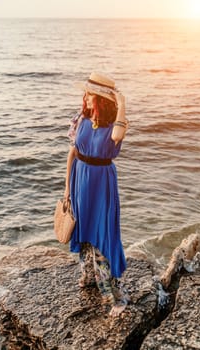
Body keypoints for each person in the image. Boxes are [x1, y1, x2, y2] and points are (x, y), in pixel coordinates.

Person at [64, 72, 130, 317]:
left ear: (102, 100)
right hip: (80, 179)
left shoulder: (117, 123)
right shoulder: (81, 118)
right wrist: (67, 188)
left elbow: (117, 137)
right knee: (82, 233)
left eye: (90, 94)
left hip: (101, 182)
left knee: (102, 237)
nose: (85, 97)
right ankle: (88, 277)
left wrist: (122, 103)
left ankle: (114, 295)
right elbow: (72, 154)